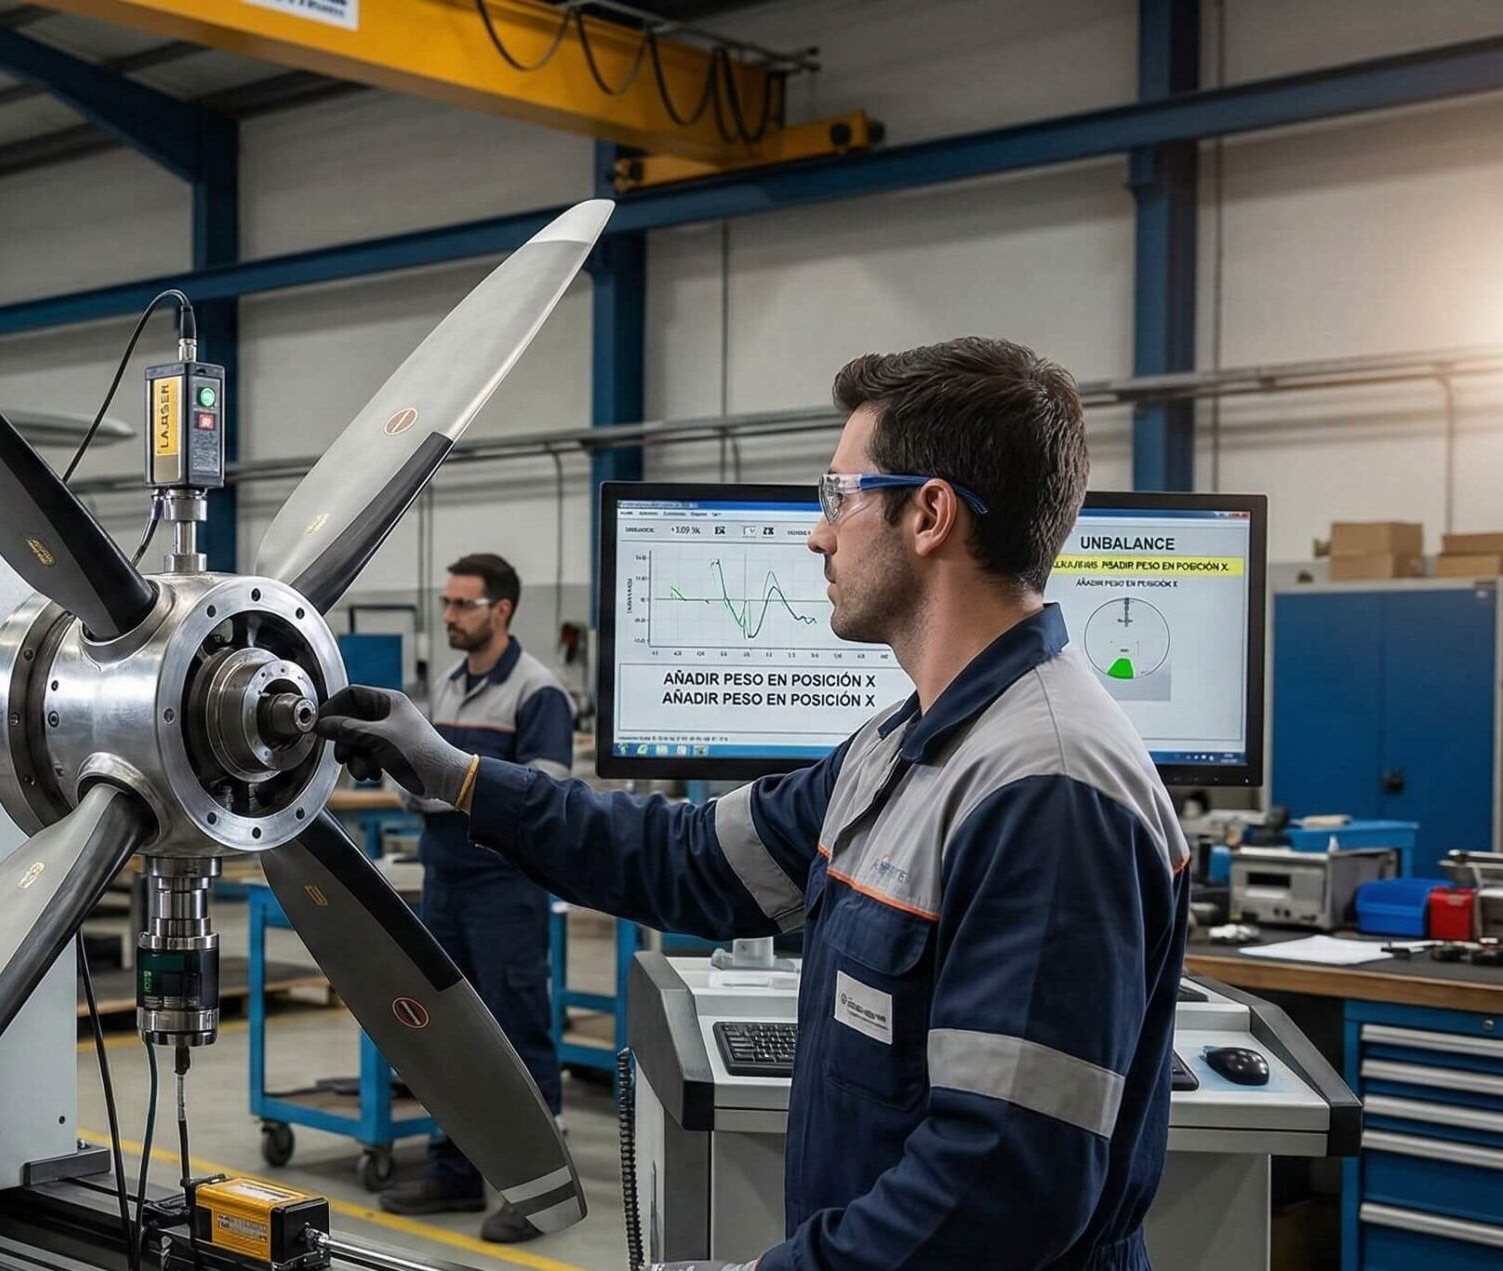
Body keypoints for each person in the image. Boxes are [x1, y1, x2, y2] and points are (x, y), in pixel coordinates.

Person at [322, 338, 1188, 1271]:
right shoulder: (899, 747)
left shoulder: (1047, 791)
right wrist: (458, 776)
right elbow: (688, 855)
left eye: (839, 496)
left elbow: (1002, 1185)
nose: (819, 534)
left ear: (930, 512)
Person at [372, 553, 574, 1245]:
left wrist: (444, 788)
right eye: (447, 603)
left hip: (503, 887)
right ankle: (454, 1171)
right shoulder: (451, 689)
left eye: (463, 604)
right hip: (445, 885)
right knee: (445, 1034)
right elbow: (412, 786)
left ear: (502, 610)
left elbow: (540, 795)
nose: (450, 616)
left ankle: (540, 1191)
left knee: (519, 1031)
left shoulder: (536, 692)